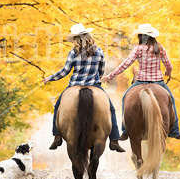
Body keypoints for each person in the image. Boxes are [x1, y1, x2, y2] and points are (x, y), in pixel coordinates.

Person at [43, 23, 125, 152]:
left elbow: (65, 71)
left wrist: (50, 78)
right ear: (88, 36)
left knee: (58, 106)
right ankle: (114, 140)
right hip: (94, 84)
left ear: (76, 39)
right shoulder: (98, 51)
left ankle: (57, 136)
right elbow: (101, 70)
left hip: (75, 84)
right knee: (111, 109)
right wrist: (95, 79)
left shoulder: (73, 52)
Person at [101, 24, 180, 140]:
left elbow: (125, 64)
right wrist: (168, 72)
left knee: (125, 98)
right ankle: (175, 131)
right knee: (171, 99)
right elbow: (169, 65)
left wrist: (110, 76)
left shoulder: (138, 49)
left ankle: (125, 131)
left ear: (141, 36)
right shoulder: (160, 48)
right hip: (158, 81)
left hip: (141, 81)